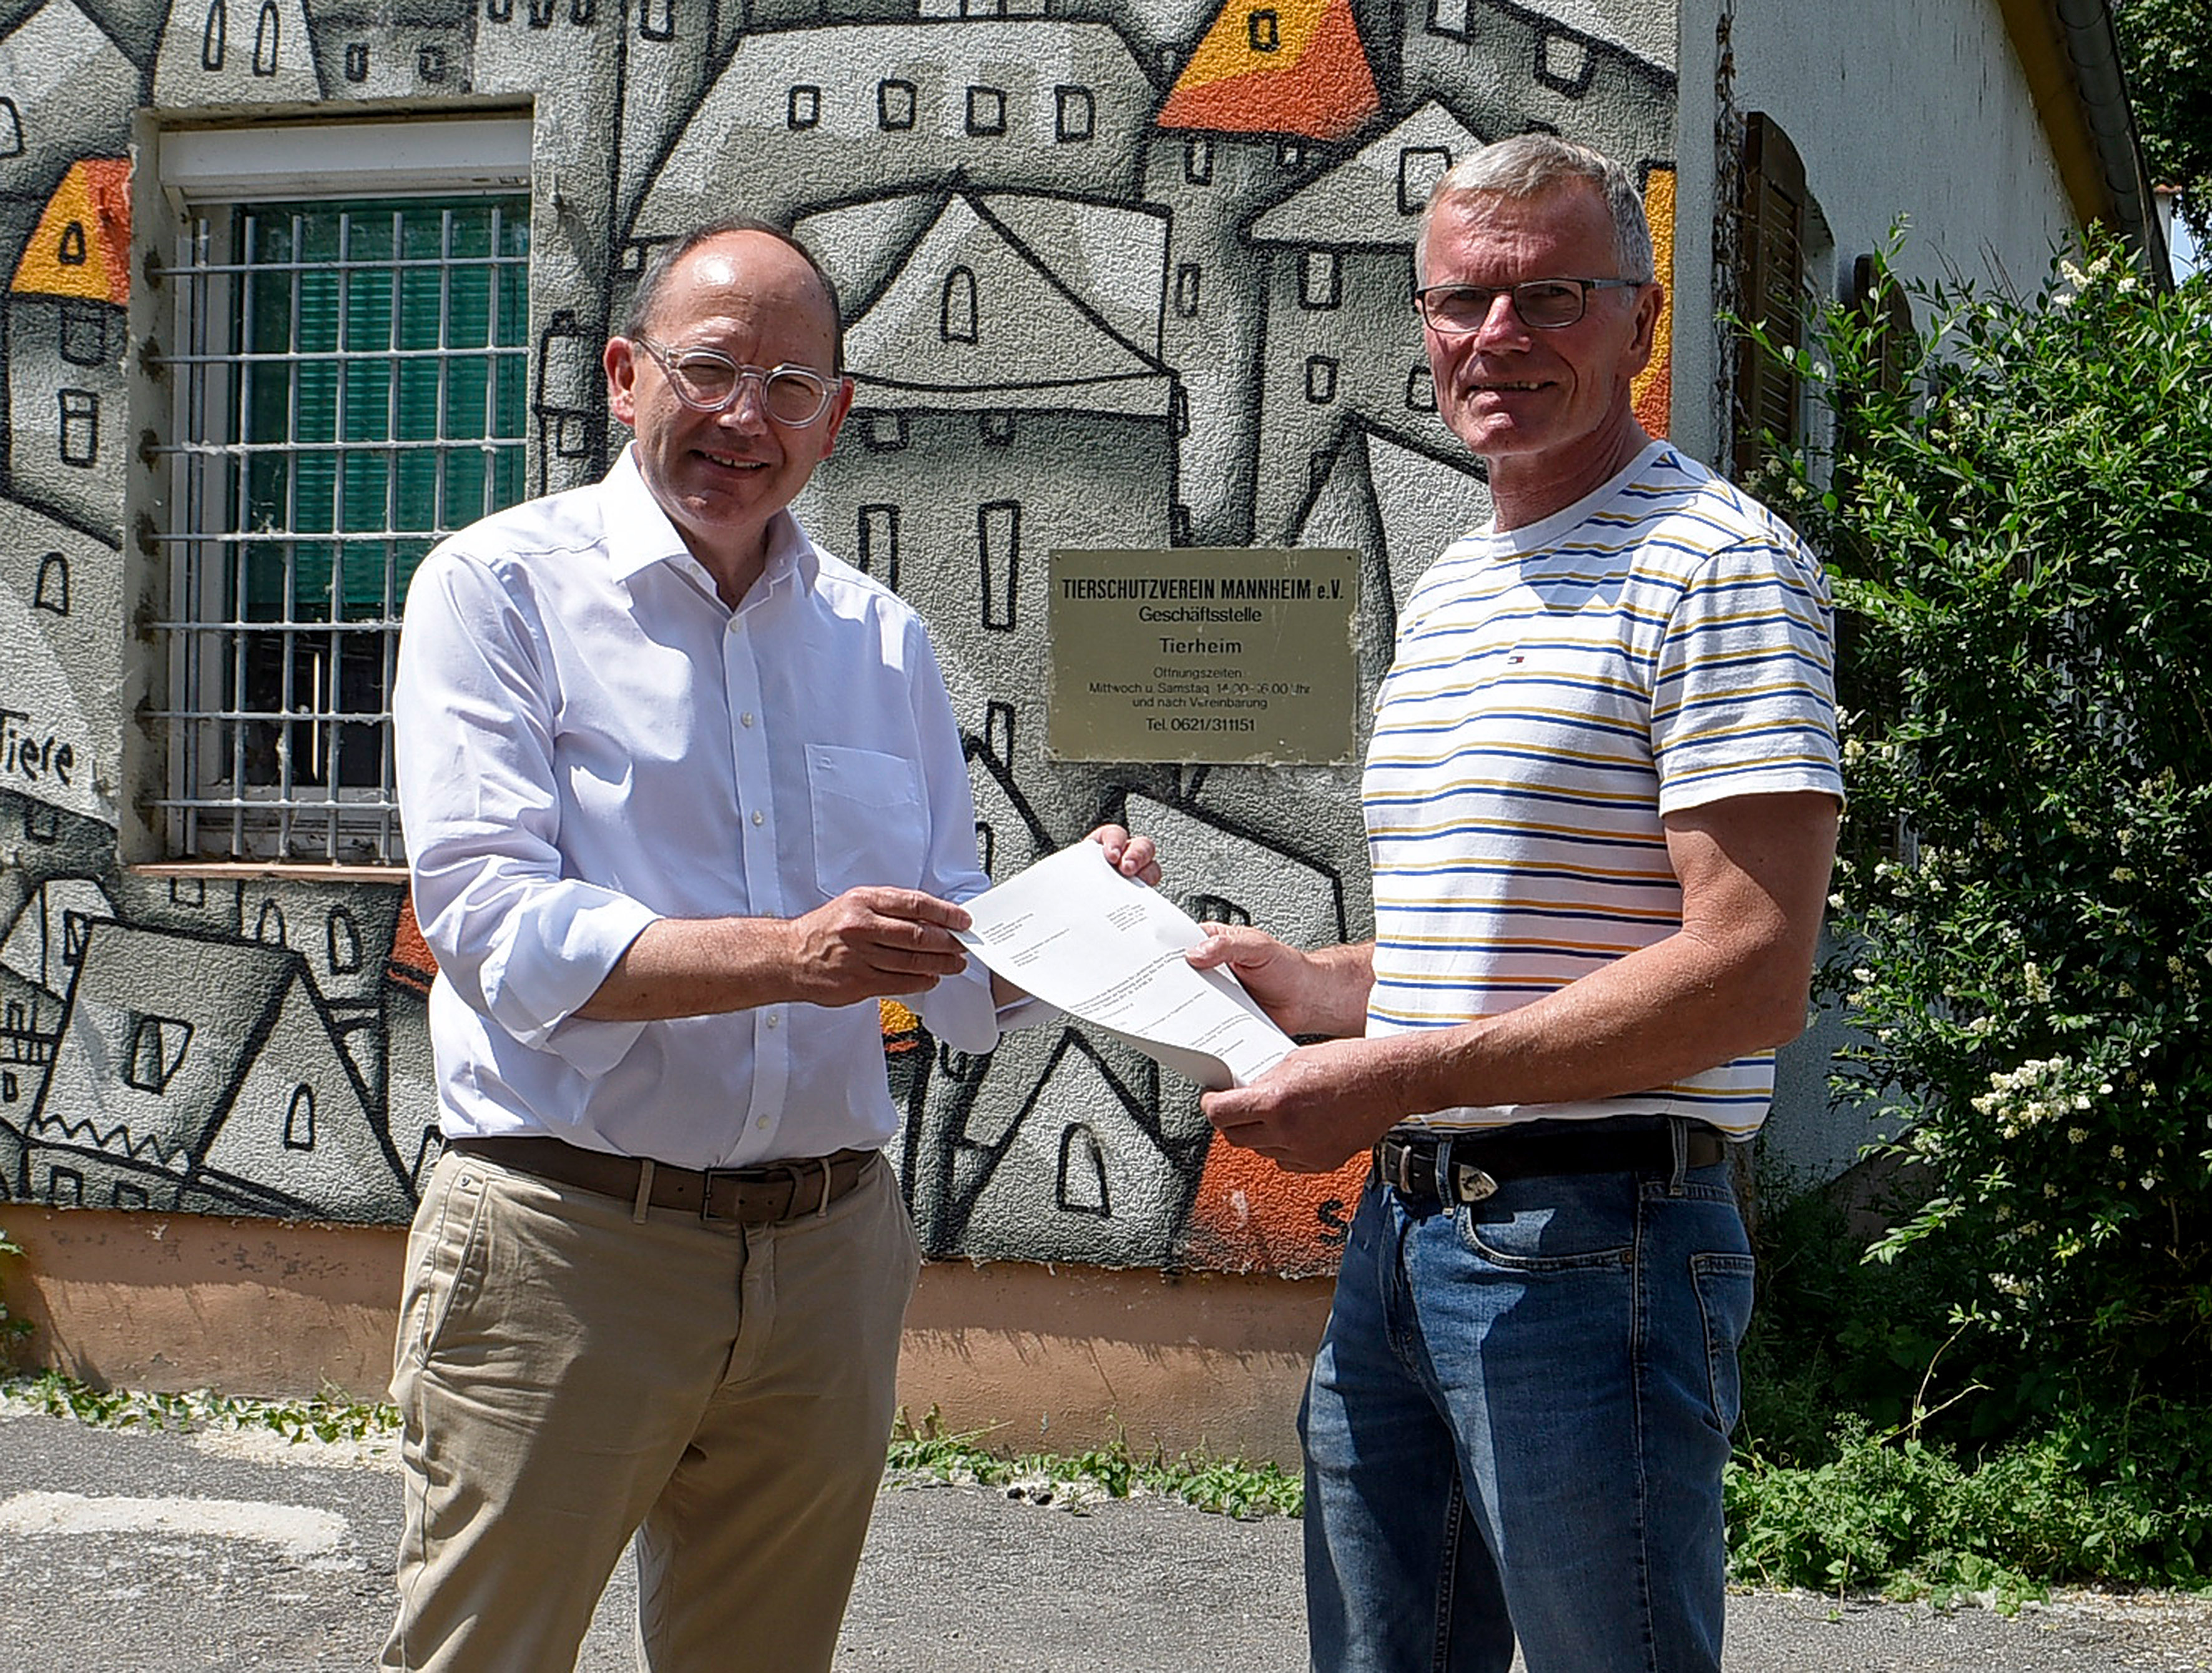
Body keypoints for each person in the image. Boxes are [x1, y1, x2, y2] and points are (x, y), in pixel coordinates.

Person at [385, 219, 1153, 1673]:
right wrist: (792, 955)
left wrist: (1069, 917)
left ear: (835, 416)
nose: (745, 417)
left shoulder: (881, 640)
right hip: (567, 1241)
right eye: (710, 369)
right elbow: (492, 924)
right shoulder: (497, 590)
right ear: (626, 376)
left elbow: (935, 937)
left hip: (824, 1257)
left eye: (789, 385)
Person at [1187, 137, 1843, 1673]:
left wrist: (1394, 1073)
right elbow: (1495, 940)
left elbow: (1751, 968)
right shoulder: (1456, 581)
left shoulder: (1717, 565)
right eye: (1459, 301)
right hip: (1404, 1235)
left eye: (1548, 296)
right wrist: (1312, 984)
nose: (1497, 337)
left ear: (1640, 320)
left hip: (1597, 1242)